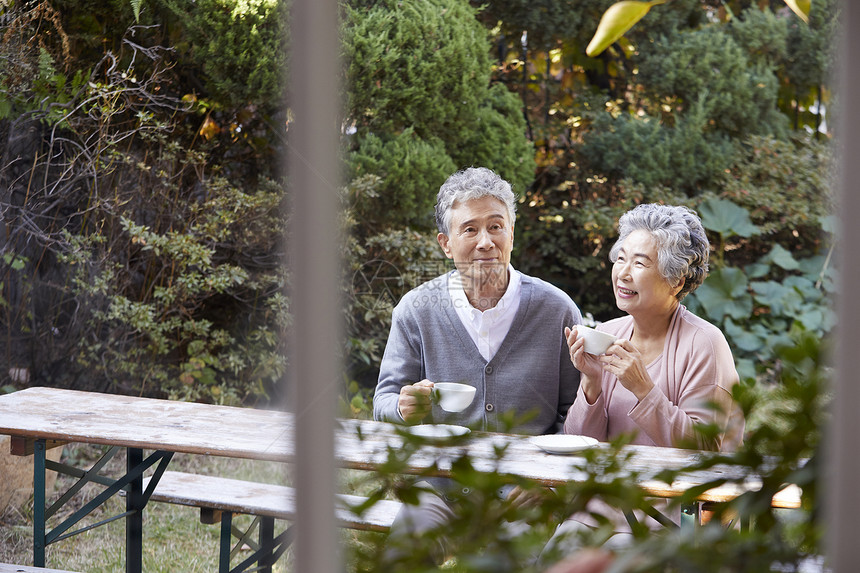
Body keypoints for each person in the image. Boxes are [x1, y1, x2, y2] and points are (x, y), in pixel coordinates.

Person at [373, 166, 582, 563]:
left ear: (512, 234)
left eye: (496, 227)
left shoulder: (557, 311)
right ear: (446, 244)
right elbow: (383, 401)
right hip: (441, 489)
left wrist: (550, 485)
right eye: (469, 229)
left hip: (527, 492)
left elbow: (579, 413)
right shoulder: (417, 310)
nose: (485, 242)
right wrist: (403, 408)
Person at [546, 203, 744, 558]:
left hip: (677, 511)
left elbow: (705, 451)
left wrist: (643, 389)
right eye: (620, 259)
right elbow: (581, 446)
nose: (623, 273)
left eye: (640, 263)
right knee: (557, 553)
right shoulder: (607, 335)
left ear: (676, 280)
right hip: (606, 504)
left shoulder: (705, 343)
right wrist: (590, 383)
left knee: (617, 557)